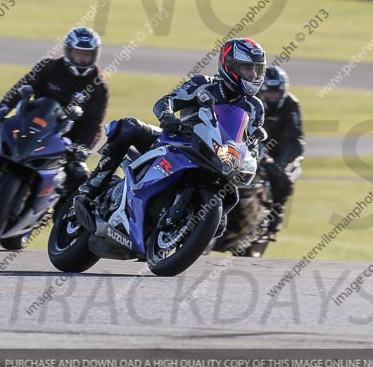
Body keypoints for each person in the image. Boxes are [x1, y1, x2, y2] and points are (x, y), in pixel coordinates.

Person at [75, 37, 267, 234]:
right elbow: (166, 101)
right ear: (230, 66)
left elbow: (252, 142)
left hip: (219, 158)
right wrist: (167, 117)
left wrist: (250, 157)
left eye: (257, 69)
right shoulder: (203, 84)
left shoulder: (255, 107)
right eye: (247, 68)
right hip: (179, 141)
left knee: (222, 218)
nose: (253, 75)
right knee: (128, 127)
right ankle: (95, 183)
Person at [0, 27, 108, 192]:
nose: (82, 58)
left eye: (87, 54)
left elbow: (95, 124)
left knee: (78, 176)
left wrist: (83, 149)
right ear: (68, 51)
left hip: (65, 140)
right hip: (30, 124)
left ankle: (60, 206)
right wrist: (2, 108)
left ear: (95, 55)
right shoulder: (48, 67)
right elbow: (20, 87)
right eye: (78, 53)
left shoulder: (98, 86)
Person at [258, 65, 304, 240]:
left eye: (276, 92)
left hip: (279, 153)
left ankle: (275, 215)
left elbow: (295, 138)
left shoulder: (291, 105)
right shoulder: (254, 101)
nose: (272, 95)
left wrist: (280, 165)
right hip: (253, 147)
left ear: (283, 91)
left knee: (283, 179)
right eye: (269, 91)